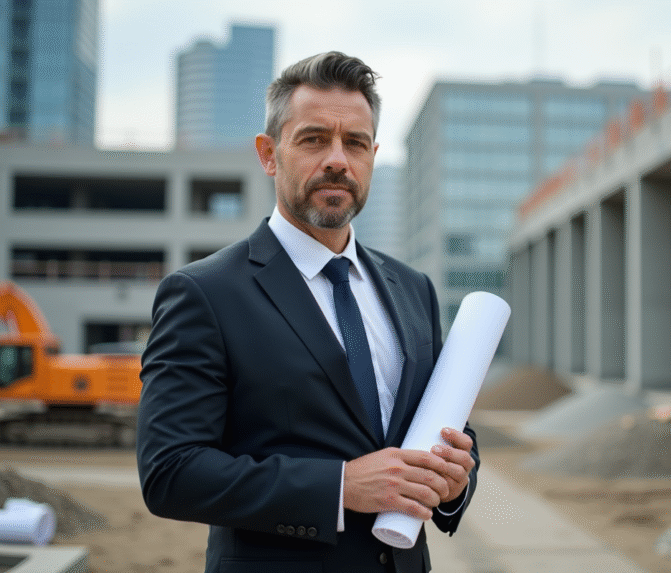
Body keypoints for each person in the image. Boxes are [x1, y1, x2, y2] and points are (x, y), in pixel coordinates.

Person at [136, 51, 479, 573]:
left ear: (372, 156)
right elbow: (170, 472)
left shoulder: (414, 290)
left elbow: (448, 426)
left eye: (355, 143)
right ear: (269, 154)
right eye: (314, 139)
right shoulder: (204, 293)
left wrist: (455, 480)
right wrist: (339, 487)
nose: (337, 160)